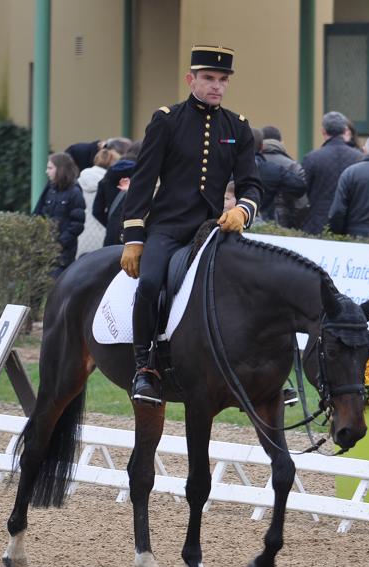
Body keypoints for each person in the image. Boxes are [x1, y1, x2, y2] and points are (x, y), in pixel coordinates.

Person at [120, 45, 262, 405]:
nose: (216, 86)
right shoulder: (167, 119)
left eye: (222, 80)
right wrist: (134, 238)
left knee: (252, 287)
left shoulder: (239, 127)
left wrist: (243, 211)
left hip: (212, 229)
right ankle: (144, 369)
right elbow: (142, 180)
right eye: (209, 79)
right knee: (150, 283)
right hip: (167, 227)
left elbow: (252, 184)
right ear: (191, 79)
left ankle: (260, 371)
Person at [300, 111, 363, 234]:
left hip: (317, 223)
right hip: (350, 224)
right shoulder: (359, 158)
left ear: (323, 131)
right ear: (345, 130)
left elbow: (302, 191)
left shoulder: (312, 158)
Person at [32, 152, 86, 278]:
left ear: (60, 169)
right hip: (43, 247)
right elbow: (37, 214)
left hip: (63, 253)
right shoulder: (49, 189)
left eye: (50, 168)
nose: (47, 171)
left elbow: (77, 224)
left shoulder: (75, 192)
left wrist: (60, 244)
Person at [258, 124, 307, 227]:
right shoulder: (292, 165)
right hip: (284, 222)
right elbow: (301, 203)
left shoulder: (248, 163)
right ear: (281, 143)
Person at [76, 147, 120, 258]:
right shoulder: (109, 183)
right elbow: (99, 211)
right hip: (102, 232)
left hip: (81, 233)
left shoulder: (80, 181)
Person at [94, 157, 136, 247]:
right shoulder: (139, 182)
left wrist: (110, 222)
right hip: (133, 233)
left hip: (112, 232)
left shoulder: (104, 182)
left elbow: (97, 211)